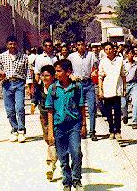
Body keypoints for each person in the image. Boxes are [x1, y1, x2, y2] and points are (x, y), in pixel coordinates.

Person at [46, 59, 85, 191]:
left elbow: (81, 107)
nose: (56, 74)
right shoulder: (53, 88)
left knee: (76, 152)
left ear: (68, 72)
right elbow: (50, 111)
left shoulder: (77, 87)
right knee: (63, 157)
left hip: (74, 125)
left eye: (58, 71)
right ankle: (66, 182)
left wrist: (83, 125)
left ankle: (77, 180)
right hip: (59, 127)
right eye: (55, 71)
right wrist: (50, 131)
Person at [0, 36, 32, 142]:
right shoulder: (1, 57)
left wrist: (29, 86)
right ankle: (14, 130)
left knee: (20, 107)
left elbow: (28, 72)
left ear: (17, 44)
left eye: (14, 44)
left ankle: (21, 131)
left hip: (19, 83)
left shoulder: (23, 56)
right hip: (7, 84)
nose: (12, 46)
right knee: (10, 110)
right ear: (7, 45)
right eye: (10, 44)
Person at [68, 38, 98, 141]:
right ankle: (80, 130)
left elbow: (97, 65)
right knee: (77, 108)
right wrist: (71, 75)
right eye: (79, 44)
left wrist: (95, 71)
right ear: (76, 46)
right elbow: (67, 69)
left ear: (85, 45)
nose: (81, 46)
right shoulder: (71, 56)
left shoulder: (91, 55)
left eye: (82, 44)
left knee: (92, 108)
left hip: (88, 84)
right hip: (77, 84)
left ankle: (92, 131)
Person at [33, 65, 58, 181]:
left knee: (53, 140)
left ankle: (50, 164)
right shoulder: (39, 87)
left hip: (56, 116)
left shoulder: (58, 87)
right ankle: (54, 159)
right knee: (48, 139)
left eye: (47, 75)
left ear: (53, 76)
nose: (44, 78)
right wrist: (33, 104)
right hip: (44, 116)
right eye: (43, 75)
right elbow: (36, 97)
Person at [98, 42, 125, 140]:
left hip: (117, 89)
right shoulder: (103, 62)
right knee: (108, 112)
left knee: (117, 111)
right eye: (106, 49)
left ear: (114, 49)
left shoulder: (120, 60)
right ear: (104, 51)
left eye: (110, 49)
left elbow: (123, 75)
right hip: (107, 89)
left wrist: (124, 88)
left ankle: (118, 131)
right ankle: (111, 131)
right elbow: (100, 77)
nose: (109, 51)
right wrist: (100, 90)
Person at [122, 48, 137, 129]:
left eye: (132, 54)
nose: (131, 55)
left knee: (135, 102)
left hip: (134, 84)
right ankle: (125, 115)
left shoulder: (136, 63)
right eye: (129, 53)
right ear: (126, 54)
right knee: (123, 104)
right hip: (124, 84)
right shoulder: (123, 63)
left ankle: (134, 121)